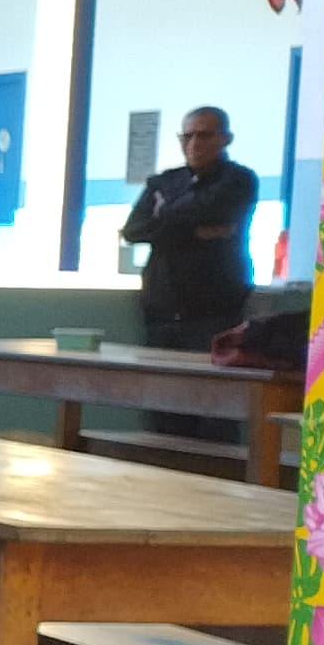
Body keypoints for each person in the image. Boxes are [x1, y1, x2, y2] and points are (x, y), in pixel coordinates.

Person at [124, 106, 263, 440]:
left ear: (225, 138)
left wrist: (164, 217)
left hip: (214, 314)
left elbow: (205, 211)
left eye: (204, 135)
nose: (194, 143)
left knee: (214, 412)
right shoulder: (164, 180)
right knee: (162, 412)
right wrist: (195, 229)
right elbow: (133, 230)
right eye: (187, 136)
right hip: (161, 313)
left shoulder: (239, 180)